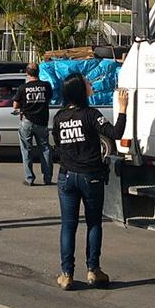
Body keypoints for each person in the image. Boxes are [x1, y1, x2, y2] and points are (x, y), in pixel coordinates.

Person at [51, 74, 128, 290]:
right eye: (86, 83)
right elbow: (115, 133)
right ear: (79, 89)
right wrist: (122, 109)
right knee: (93, 223)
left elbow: (57, 144)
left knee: (68, 226)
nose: (90, 84)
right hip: (90, 176)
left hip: (66, 177)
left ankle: (66, 274)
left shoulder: (59, 117)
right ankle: (93, 270)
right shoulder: (91, 114)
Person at [13, 62, 53, 186]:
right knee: (45, 149)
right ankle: (47, 178)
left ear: (27, 73)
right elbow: (49, 100)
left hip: (26, 121)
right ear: (38, 72)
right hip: (42, 122)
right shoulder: (46, 85)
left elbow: (15, 105)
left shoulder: (23, 88)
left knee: (26, 150)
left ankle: (29, 178)